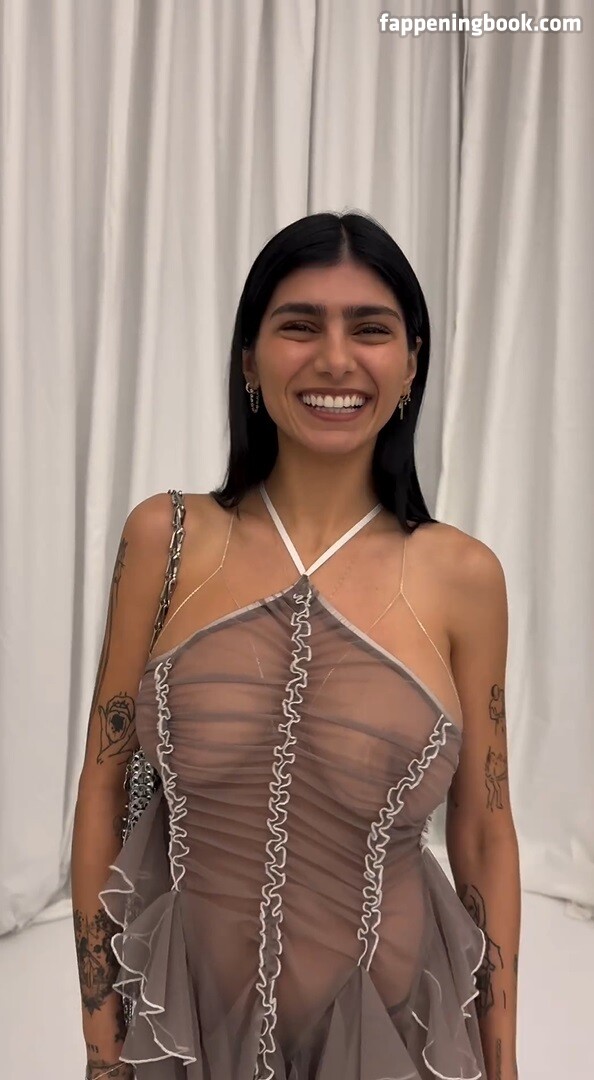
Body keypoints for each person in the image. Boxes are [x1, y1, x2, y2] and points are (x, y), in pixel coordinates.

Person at [71, 211, 521, 1080]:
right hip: (184, 1030)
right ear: (249, 358)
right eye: (300, 325)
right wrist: (103, 1049)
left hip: (389, 1029)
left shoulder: (463, 576)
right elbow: (102, 786)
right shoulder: (166, 539)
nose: (335, 359)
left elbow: (486, 834)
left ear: (412, 363)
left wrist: (503, 1068)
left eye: (371, 329)